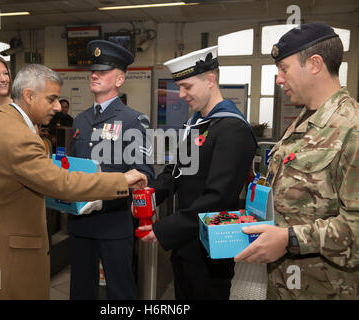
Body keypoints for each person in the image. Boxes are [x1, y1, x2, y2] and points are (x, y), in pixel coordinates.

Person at [0, 64, 147, 299]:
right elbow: (61, 183)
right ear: (29, 96)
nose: (58, 107)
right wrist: (121, 180)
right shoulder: (22, 136)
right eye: (52, 99)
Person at [234, 22, 359, 299]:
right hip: (283, 284)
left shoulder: (352, 128)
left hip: (324, 290)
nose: (278, 78)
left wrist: (290, 239)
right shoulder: (304, 121)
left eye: (284, 68)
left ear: (315, 64)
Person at [138, 45, 257, 299]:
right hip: (186, 242)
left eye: (187, 87)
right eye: (179, 87)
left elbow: (219, 197)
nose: (181, 94)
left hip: (210, 248)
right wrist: (148, 195)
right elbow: (174, 171)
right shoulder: (197, 124)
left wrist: (164, 229)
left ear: (210, 80)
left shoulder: (232, 129)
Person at [67, 40, 155, 300]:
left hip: (114, 222)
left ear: (119, 79)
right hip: (80, 221)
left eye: (103, 71)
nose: (95, 74)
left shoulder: (133, 120)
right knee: (80, 290)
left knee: (120, 290)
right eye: (93, 70)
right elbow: (71, 166)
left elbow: (144, 171)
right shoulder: (80, 120)